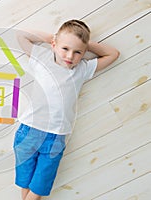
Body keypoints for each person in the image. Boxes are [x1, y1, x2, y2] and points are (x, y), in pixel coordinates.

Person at [14, 19, 120, 200]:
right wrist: (53, 38)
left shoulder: (82, 69)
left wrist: (85, 44)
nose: (70, 56)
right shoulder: (41, 58)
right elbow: (20, 35)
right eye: (65, 48)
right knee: (26, 184)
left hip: (55, 138)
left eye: (77, 52)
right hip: (28, 131)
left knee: (38, 189)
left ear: (84, 52)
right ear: (54, 45)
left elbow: (113, 54)